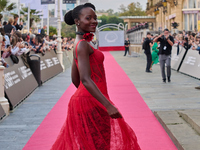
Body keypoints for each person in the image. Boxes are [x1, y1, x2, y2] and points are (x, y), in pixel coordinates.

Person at [50, 3, 141, 150]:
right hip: (92, 103)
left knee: (92, 145)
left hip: (88, 100)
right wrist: (107, 105)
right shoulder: (83, 45)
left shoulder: (79, 43)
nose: (94, 21)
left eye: (95, 18)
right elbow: (84, 79)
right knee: (98, 145)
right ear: (77, 21)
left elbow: (75, 80)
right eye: (88, 18)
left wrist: (86, 97)